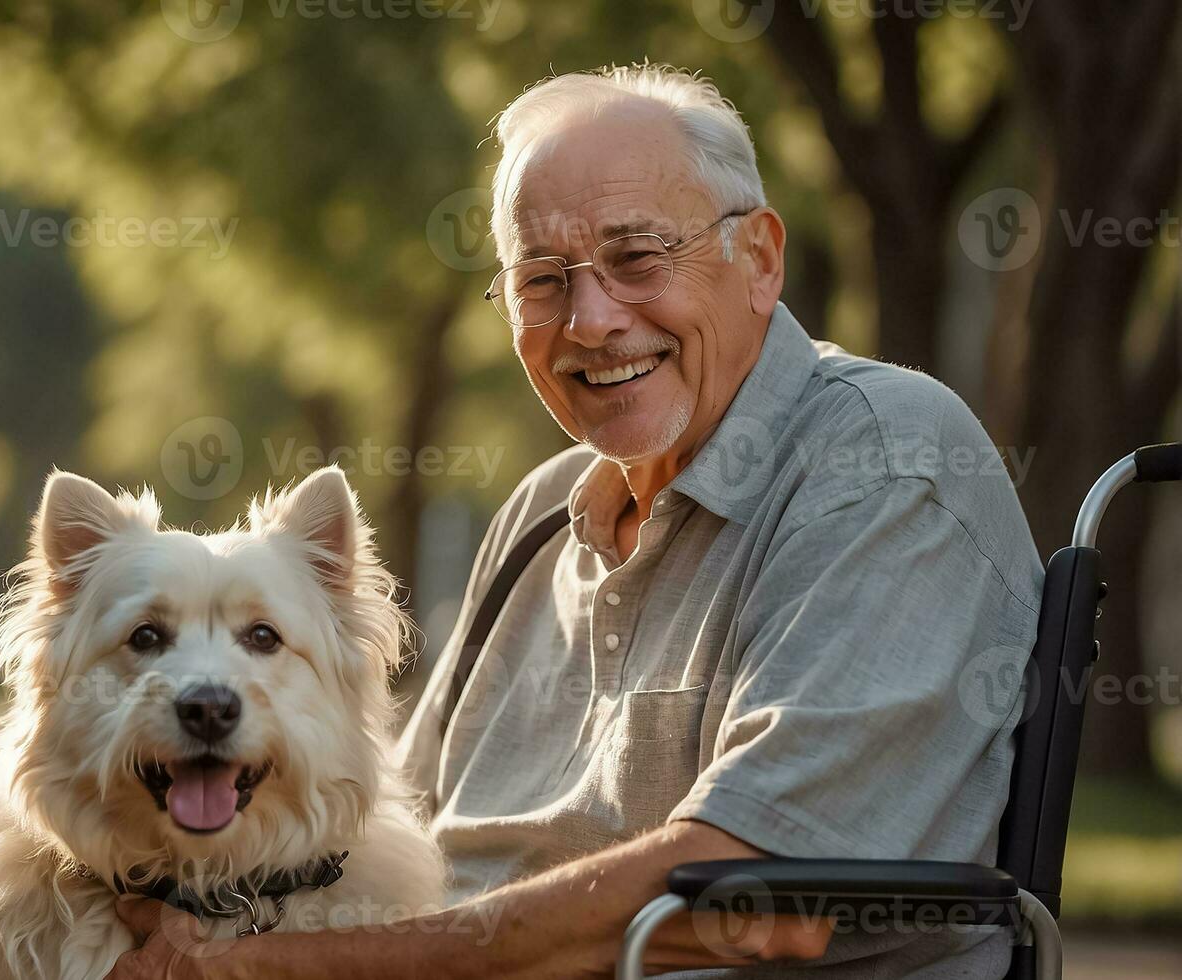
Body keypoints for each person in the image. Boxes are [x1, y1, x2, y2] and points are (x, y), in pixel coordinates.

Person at [108, 63, 1043, 979]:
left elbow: (763, 898)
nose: (591, 320)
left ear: (758, 258)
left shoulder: (880, 463)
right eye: (544, 280)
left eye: (637, 258)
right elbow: (378, 817)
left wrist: (270, 969)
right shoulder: (539, 514)